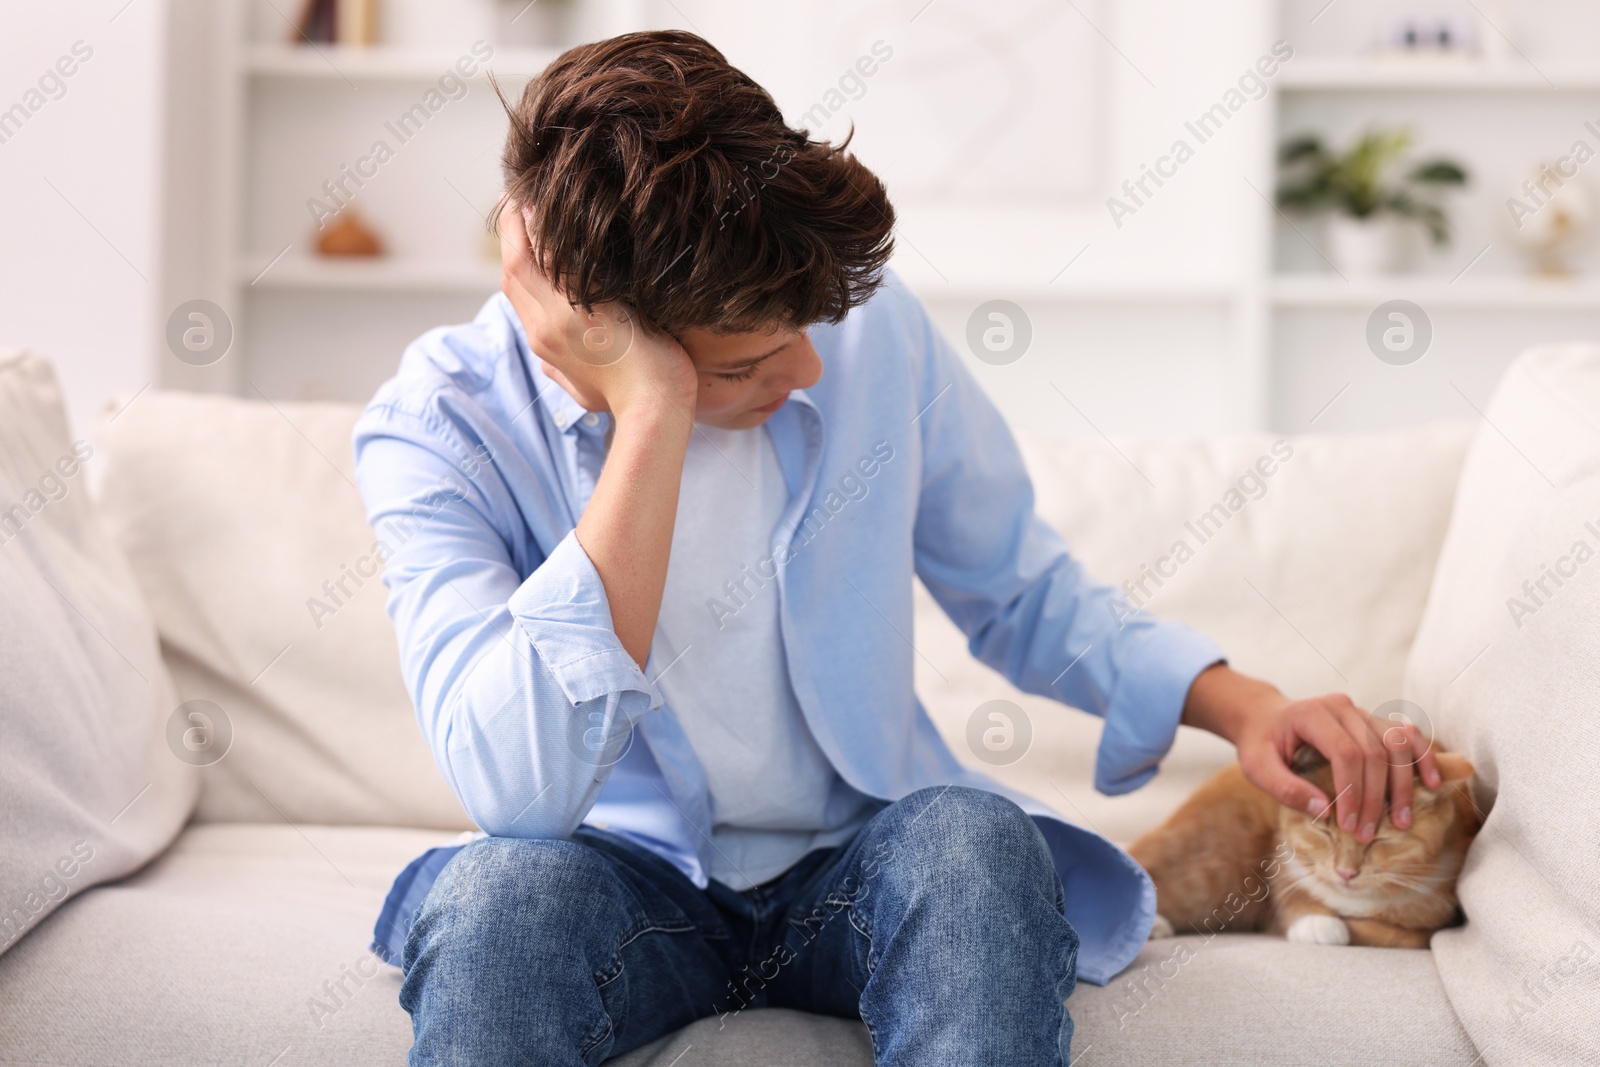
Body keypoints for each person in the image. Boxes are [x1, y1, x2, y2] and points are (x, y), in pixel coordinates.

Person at [352, 29, 1441, 1067]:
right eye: (746, 366)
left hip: (856, 861)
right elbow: (518, 795)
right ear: (596, 327)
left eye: (802, 338)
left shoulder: (864, 330)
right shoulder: (439, 424)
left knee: (972, 844)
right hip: (618, 875)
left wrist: (1242, 704)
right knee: (500, 897)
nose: (808, 373)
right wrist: (653, 419)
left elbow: (1018, 587)